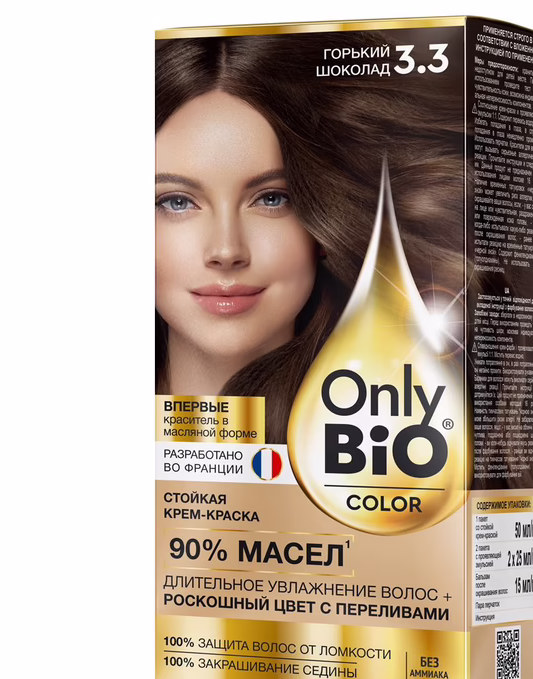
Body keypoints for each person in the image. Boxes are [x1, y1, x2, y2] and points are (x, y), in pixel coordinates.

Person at [155, 33, 468, 444]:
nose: (226, 251)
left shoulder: (396, 439)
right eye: (177, 202)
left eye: (272, 198)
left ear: (321, 221)